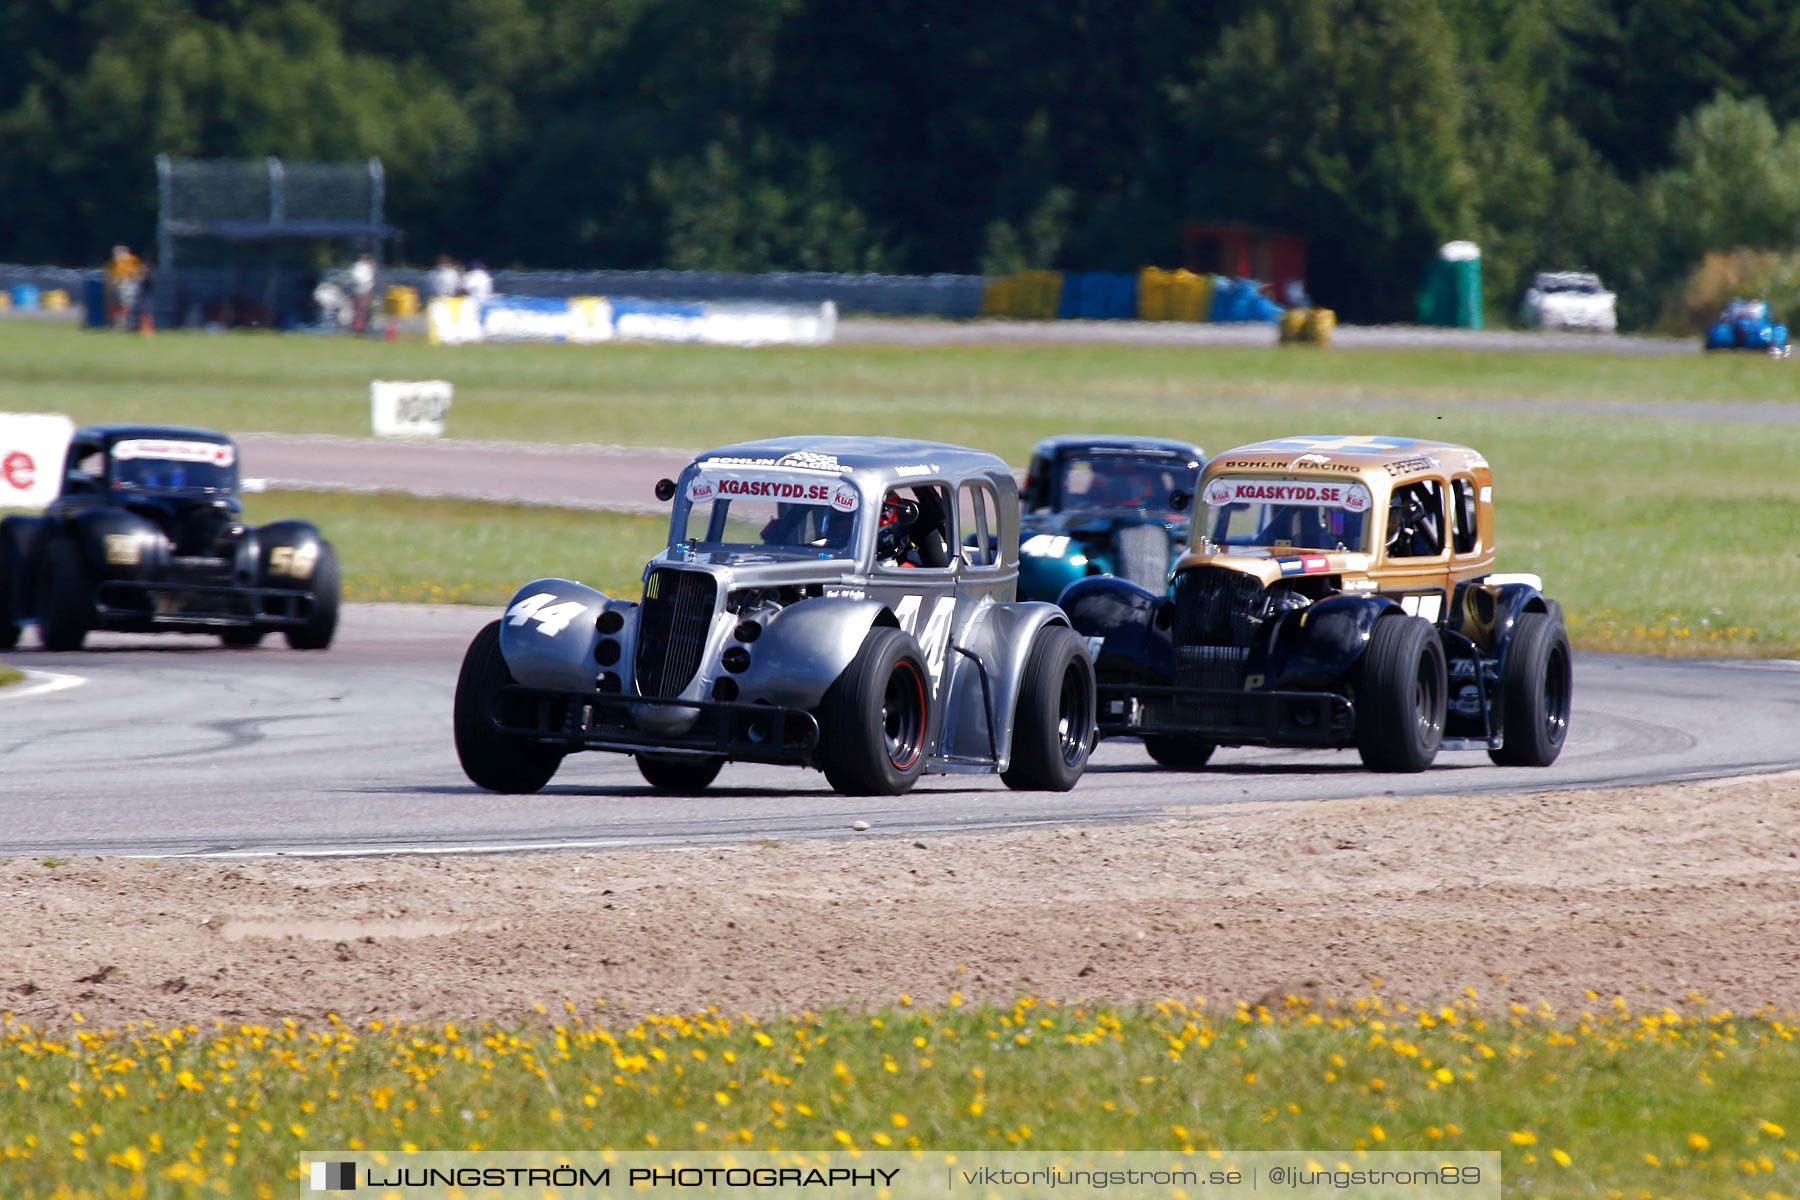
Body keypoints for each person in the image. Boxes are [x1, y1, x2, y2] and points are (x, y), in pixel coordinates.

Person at [104, 245, 145, 330]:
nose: (116, 255)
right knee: (120, 307)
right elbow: (110, 275)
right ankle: (123, 325)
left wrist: (132, 280)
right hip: (120, 287)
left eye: (117, 253)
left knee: (128, 307)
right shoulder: (115, 263)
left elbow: (139, 272)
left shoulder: (131, 260)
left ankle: (129, 325)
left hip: (129, 286)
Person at [349, 253, 377, 334]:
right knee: (360, 308)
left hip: (364, 287)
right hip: (362, 287)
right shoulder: (361, 266)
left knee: (362, 308)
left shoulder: (365, 266)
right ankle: (358, 326)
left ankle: (360, 326)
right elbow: (359, 278)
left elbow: (370, 278)